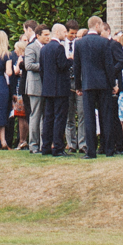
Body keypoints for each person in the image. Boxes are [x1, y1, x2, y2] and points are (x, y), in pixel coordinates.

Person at [75, 16, 122, 158]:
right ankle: (108, 149)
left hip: (88, 84)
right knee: (106, 117)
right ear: (97, 25)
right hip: (103, 84)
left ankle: (91, 151)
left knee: (89, 117)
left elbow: (77, 67)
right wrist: (113, 83)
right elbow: (108, 65)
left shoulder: (79, 43)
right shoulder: (104, 42)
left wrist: (78, 86)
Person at [38, 25, 72, 155]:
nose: (66, 34)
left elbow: (42, 70)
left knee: (48, 118)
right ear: (57, 32)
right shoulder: (59, 47)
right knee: (59, 118)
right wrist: (71, 60)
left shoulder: (44, 48)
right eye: (64, 31)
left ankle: (46, 146)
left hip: (48, 88)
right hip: (60, 89)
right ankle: (58, 147)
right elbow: (62, 65)